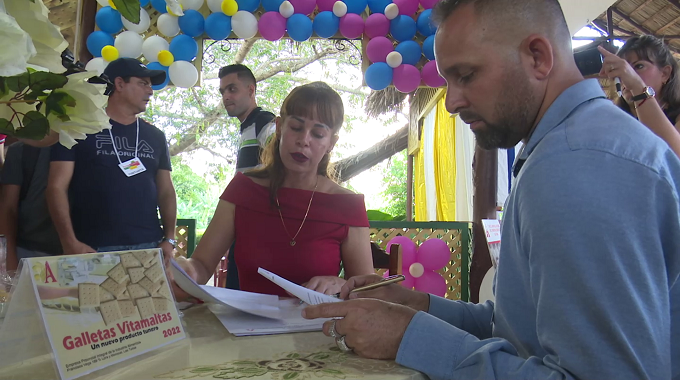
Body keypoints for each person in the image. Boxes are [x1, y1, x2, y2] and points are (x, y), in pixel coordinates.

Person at [302, 0, 680, 379]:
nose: (451, 102)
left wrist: (410, 338)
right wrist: (417, 307)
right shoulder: (567, 145)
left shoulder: (575, 164)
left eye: (465, 75)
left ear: (537, 57)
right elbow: (523, 329)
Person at [173, 82, 374, 297]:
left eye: (317, 134)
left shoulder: (347, 205)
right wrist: (186, 270)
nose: (303, 141)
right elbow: (202, 265)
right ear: (279, 127)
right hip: (246, 327)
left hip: (316, 328)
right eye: (296, 128)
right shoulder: (243, 189)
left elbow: (368, 291)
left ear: (331, 143)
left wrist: (341, 284)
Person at [46, 58, 178, 261]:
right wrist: (69, 241)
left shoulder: (156, 135)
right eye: (143, 83)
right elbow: (56, 187)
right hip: (92, 246)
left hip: (149, 246)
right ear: (119, 84)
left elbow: (166, 190)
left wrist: (169, 239)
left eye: (150, 86)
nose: (150, 91)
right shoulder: (78, 127)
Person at [218, 64, 276, 289]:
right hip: (244, 230)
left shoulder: (264, 122)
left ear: (251, 90)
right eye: (222, 91)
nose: (226, 96)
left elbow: (280, 169)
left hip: (260, 232)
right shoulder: (247, 128)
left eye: (232, 89)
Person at [599, 35, 680, 157]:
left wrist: (639, 89)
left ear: (665, 74)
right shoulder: (615, 119)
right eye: (624, 68)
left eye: (639, 66)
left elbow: (673, 159)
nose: (626, 74)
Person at [0, 143, 62, 271]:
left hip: (90, 253)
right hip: (31, 252)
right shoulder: (23, 149)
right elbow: (8, 208)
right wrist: (10, 261)